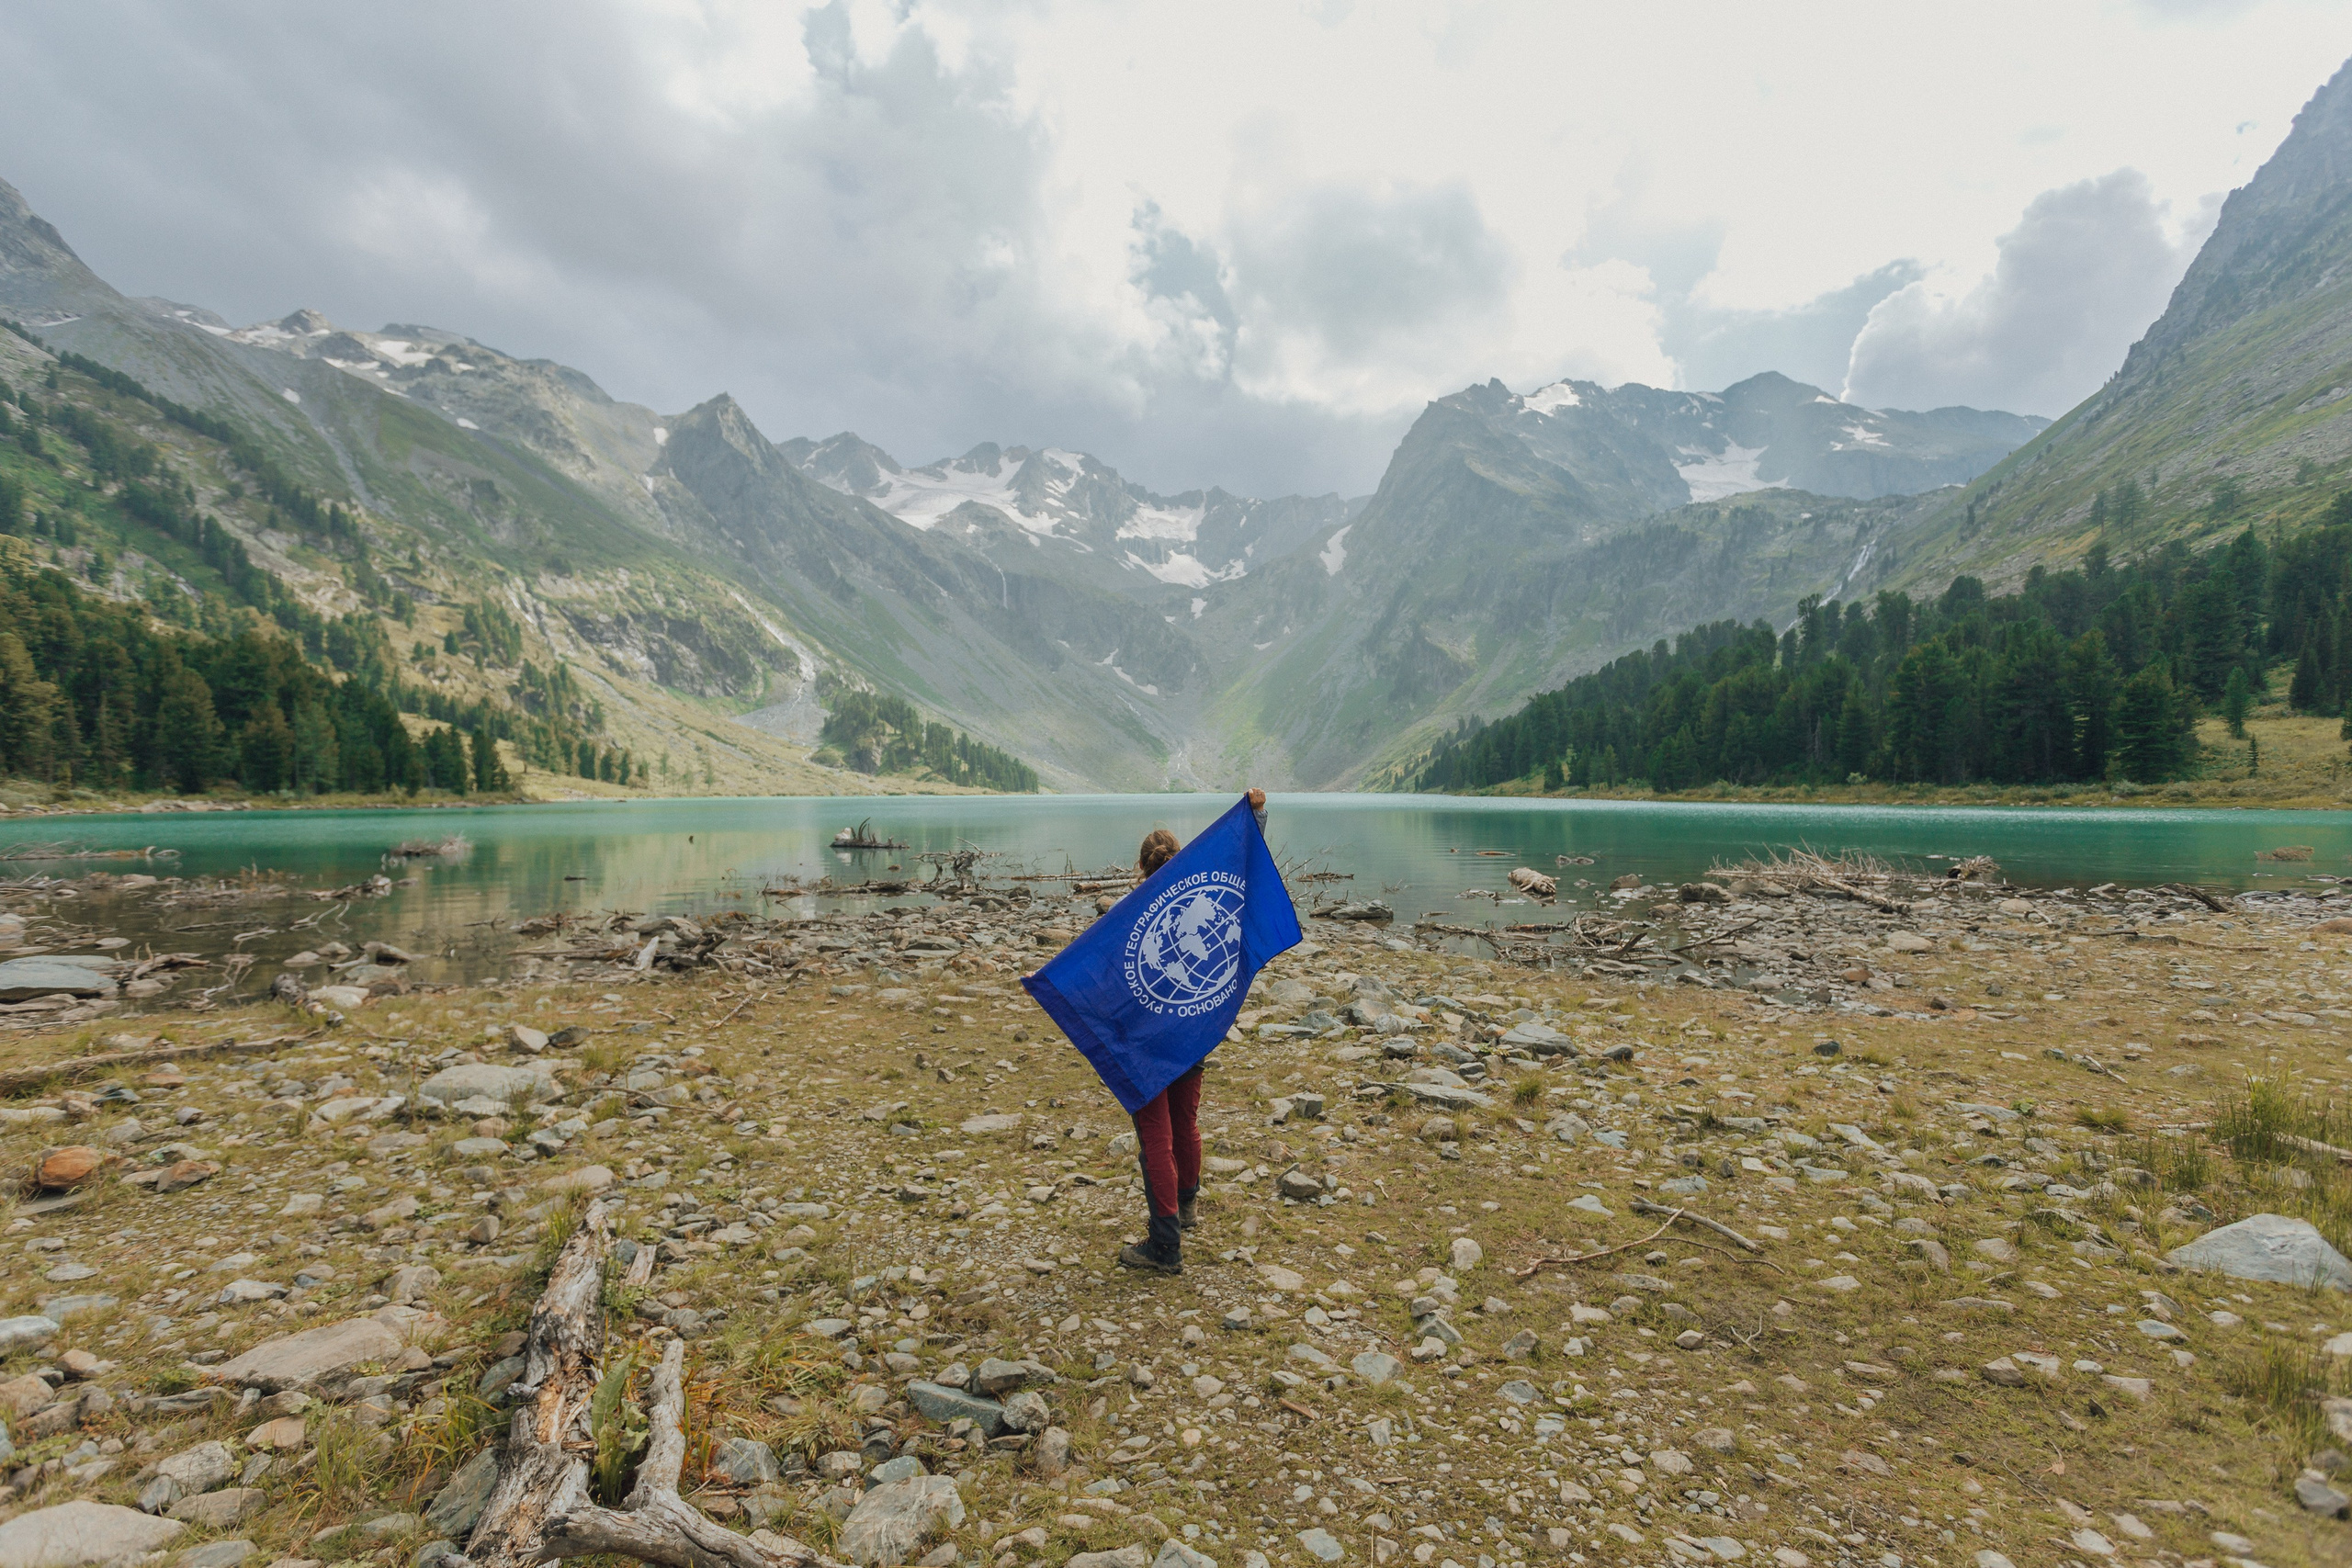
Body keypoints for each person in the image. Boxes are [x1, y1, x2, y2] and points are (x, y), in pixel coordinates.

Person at [1118, 787, 1266, 1276]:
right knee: (1185, 1124)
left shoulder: (1130, 914)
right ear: (1178, 860)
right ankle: (1186, 1208)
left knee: (1156, 1136)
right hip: (1193, 1034)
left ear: (1141, 867)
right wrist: (1257, 816)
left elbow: (1106, 979)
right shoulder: (1197, 898)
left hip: (1148, 1045)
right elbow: (1243, 871)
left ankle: (1165, 1248)